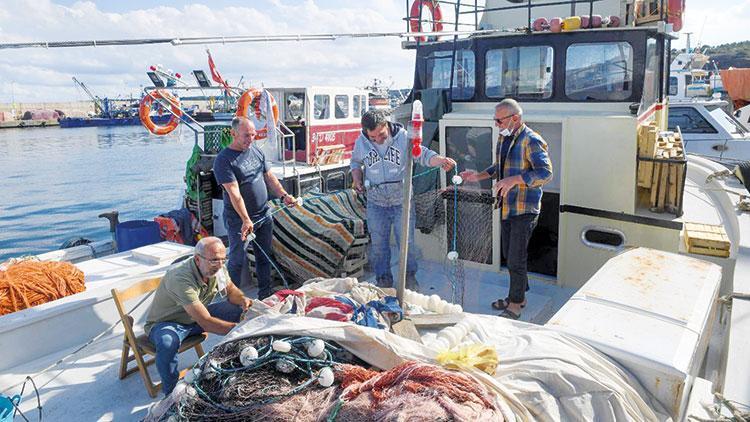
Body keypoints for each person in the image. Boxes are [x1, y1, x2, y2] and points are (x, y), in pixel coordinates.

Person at [460, 99, 552, 320]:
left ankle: (515, 305)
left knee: (515, 259)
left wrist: (515, 179)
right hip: (506, 208)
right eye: (495, 120)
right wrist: (478, 176)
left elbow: (545, 173)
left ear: (515, 118)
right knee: (510, 256)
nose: (496, 124)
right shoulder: (504, 137)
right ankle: (518, 296)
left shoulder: (532, 140)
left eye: (499, 120)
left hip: (525, 209)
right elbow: (498, 168)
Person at [351, 109, 456, 289]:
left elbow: (422, 154)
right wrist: (357, 179)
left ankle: (409, 279)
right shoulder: (361, 142)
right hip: (376, 203)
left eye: (381, 135)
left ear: (387, 124)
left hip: (402, 202)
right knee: (378, 246)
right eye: (373, 137)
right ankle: (383, 282)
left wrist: (441, 160)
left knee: (406, 244)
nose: (377, 140)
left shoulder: (404, 137)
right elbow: (355, 162)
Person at [144, 237, 253, 395]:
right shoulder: (180, 277)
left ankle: (244, 358)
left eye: (224, 259)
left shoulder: (218, 267)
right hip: (168, 323)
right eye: (214, 260)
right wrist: (241, 330)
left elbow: (231, 291)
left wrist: (243, 300)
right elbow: (206, 323)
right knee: (167, 343)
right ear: (197, 259)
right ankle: (171, 393)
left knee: (239, 310)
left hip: (195, 317)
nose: (220, 265)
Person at [213, 116, 296, 299]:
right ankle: (231, 300)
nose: (250, 139)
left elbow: (269, 177)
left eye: (253, 135)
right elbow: (234, 193)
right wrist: (245, 219)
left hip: (263, 215)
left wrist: (283, 195)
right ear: (233, 134)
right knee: (236, 260)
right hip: (238, 221)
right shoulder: (223, 160)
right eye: (246, 136)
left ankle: (264, 295)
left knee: (264, 256)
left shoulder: (256, 151)